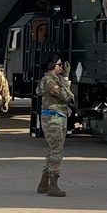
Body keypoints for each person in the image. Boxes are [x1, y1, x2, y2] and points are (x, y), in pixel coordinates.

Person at [36, 54, 73, 197]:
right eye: (59, 65)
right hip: (54, 119)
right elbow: (66, 96)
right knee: (57, 152)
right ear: (51, 66)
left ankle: (44, 184)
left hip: (56, 118)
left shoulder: (53, 80)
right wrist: (66, 79)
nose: (62, 67)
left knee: (54, 151)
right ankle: (53, 185)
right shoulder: (49, 81)